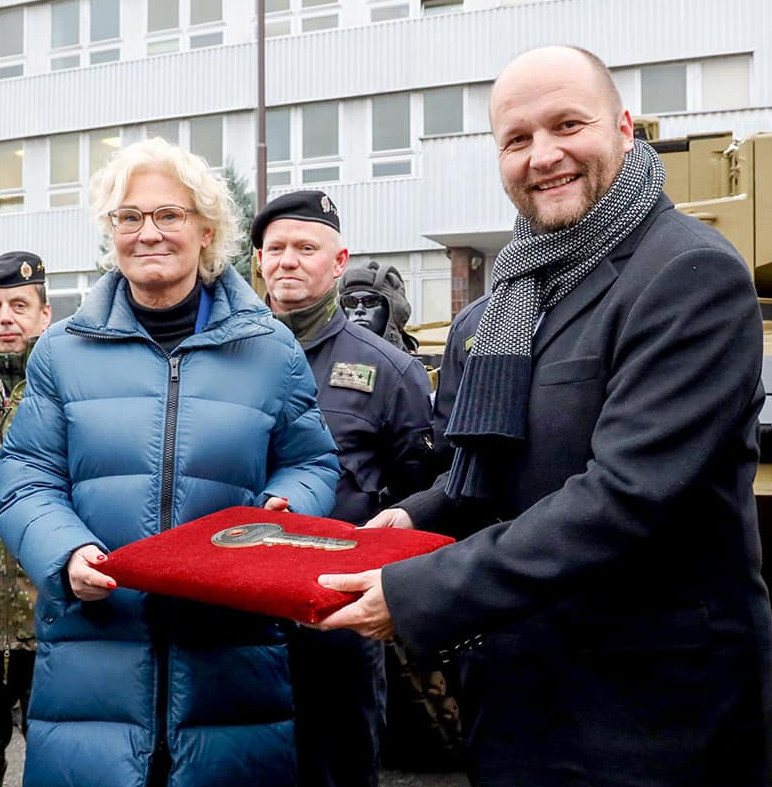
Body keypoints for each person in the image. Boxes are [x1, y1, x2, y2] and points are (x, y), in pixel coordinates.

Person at [313, 45, 772, 787]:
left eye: (568, 125)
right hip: (519, 697)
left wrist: (418, 590)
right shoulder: (496, 310)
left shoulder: (689, 275)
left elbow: (625, 498)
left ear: (624, 127)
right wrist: (414, 520)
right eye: (518, 139)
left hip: (654, 713)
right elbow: (489, 470)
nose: (544, 155)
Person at [0, 138, 340, 787]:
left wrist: (288, 512)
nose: (147, 232)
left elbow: (312, 462)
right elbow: (24, 477)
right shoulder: (63, 351)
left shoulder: (268, 347)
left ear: (206, 229)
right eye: (128, 217)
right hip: (91, 656)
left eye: (168, 215)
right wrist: (66, 551)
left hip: (230, 660)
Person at [251, 189, 435, 787]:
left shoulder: (389, 370)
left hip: (334, 623)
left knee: (336, 770)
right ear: (257, 260)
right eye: (275, 248)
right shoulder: (224, 356)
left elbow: (421, 495)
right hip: (236, 617)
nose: (288, 260)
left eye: (306, 247)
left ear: (338, 260)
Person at [0, 251, 51, 782]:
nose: (5, 318)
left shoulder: (64, 392)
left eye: (19, 304)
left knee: (58, 762)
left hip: (52, 621)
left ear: (44, 316)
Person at [339, 260, 419, 354]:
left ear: (392, 309)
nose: (359, 310)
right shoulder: (327, 353)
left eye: (371, 301)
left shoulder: (405, 363)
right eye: (350, 301)